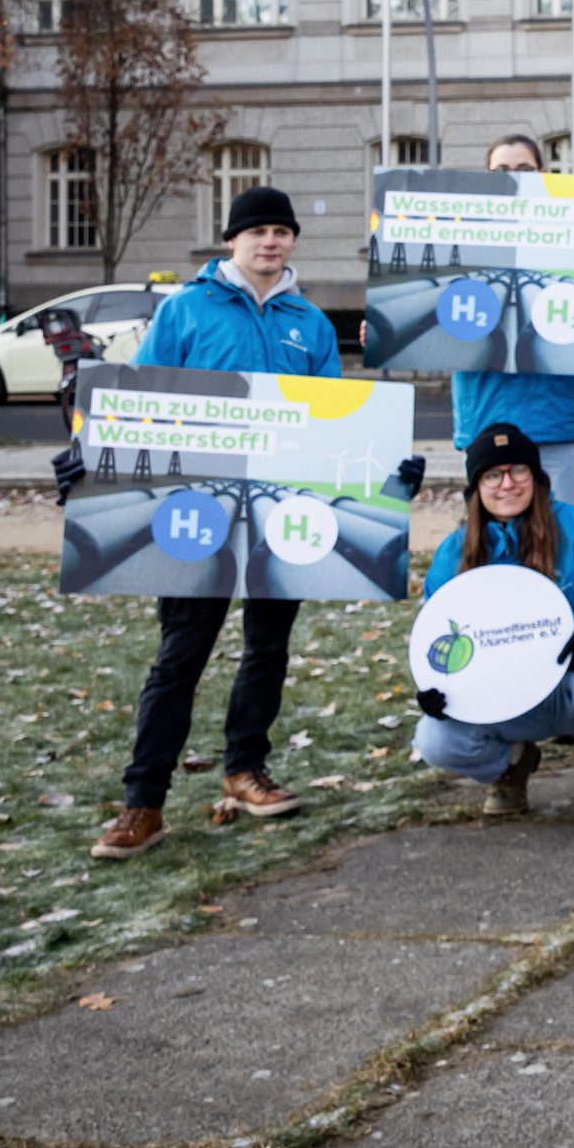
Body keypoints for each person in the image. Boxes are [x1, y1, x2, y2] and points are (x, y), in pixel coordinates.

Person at [77, 185, 425, 860]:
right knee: (180, 656)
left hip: (282, 514)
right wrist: (90, 458)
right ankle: (142, 804)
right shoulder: (186, 311)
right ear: (232, 240)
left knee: (268, 648)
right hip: (195, 513)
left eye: (281, 231)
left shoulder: (311, 325)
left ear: (293, 241)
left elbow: (331, 424)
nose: (271, 241)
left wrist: (386, 470)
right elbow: (134, 398)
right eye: (258, 230)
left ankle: (245, 770)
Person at [412, 422, 574, 839]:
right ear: (476, 486)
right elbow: (434, 631)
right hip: (500, 698)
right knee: (433, 739)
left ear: (537, 478)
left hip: (571, 689)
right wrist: (433, 685)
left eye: (519, 471)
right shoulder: (455, 552)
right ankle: (512, 763)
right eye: (493, 475)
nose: (507, 484)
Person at [449, 133, 574, 505]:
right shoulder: (461, 239)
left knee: (558, 540)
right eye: (500, 170)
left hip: (554, 418)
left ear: (543, 174)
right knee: (491, 546)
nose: (513, 178)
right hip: (486, 417)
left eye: (524, 169)